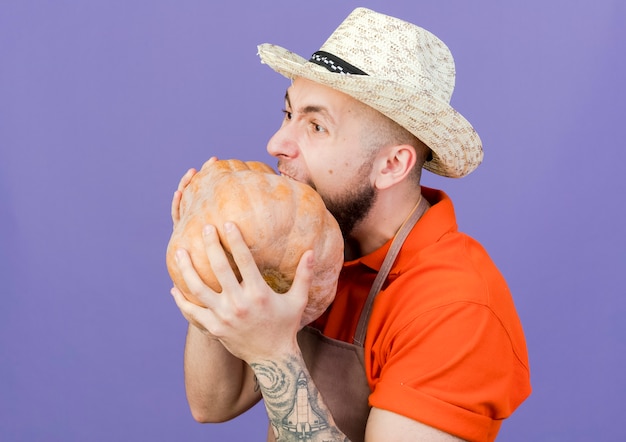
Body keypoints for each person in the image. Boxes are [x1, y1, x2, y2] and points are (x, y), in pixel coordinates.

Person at [170, 7, 531, 442]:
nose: (276, 144)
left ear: (392, 164)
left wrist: (273, 356)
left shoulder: (458, 308)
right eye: (289, 115)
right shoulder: (301, 244)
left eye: (316, 125)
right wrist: (211, 258)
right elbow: (212, 403)